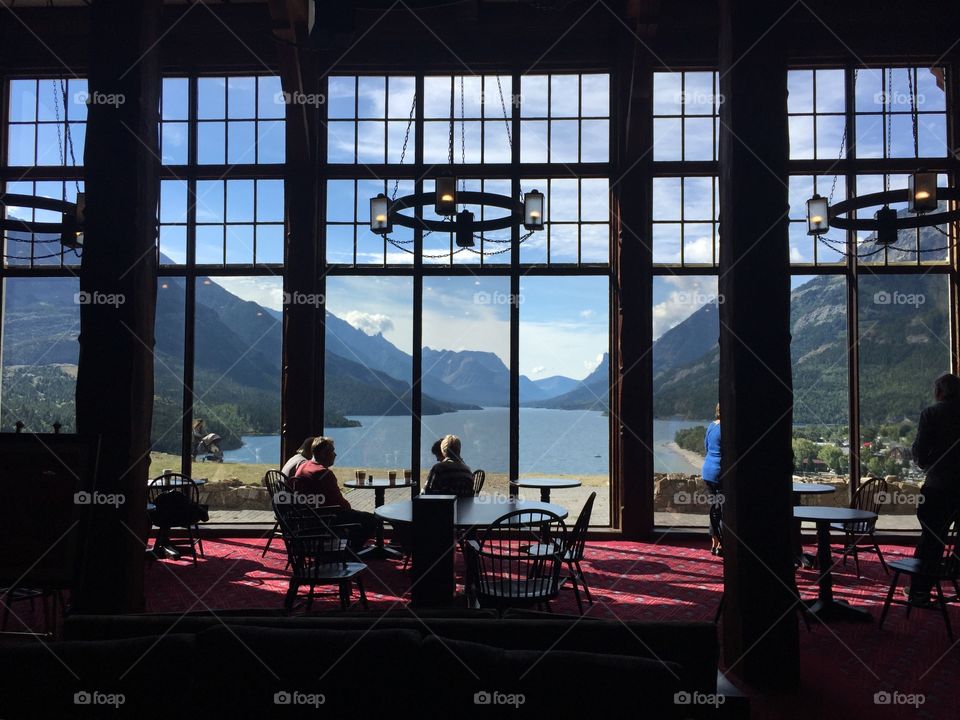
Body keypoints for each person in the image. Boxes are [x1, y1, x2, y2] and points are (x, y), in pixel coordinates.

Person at [908, 372, 960, 605]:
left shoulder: (931, 414)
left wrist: (930, 464)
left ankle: (920, 590)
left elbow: (920, 454)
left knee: (932, 540)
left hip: (938, 488)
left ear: (939, 392)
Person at [292, 437, 377, 551]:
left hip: (306, 517)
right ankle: (351, 550)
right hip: (325, 519)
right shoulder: (323, 473)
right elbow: (340, 504)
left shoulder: (303, 466)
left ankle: (346, 548)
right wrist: (350, 511)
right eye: (332, 451)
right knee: (371, 519)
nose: (335, 454)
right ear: (323, 454)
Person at [701, 404, 723, 556]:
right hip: (721, 472)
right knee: (723, 509)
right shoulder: (726, 428)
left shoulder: (711, 426)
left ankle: (714, 542)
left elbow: (707, 448)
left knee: (714, 508)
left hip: (708, 471)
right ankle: (721, 543)